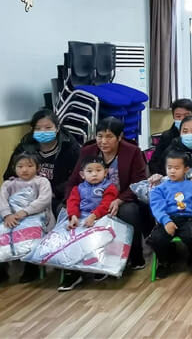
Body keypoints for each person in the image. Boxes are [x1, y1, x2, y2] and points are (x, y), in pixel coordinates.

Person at [66, 117, 149, 277]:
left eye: (109, 136)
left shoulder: (132, 152)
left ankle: (135, 254)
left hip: (121, 198)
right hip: (90, 199)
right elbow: (74, 180)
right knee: (64, 211)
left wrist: (119, 200)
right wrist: (71, 207)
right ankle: (75, 261)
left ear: (119, 137)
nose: (103, 141)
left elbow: (138, 182)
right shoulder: (87, 151)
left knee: (129, 211)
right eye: (100, 136)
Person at [148, 150, 192, 279]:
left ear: (186, 169)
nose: (172, 171)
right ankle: (165, 261)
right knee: (156, 239)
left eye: (176, 168)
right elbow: (157, 208)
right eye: (169, 167)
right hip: (167, 219)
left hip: (189, 219)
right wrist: (166, 221)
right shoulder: (159, 189)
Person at [0, 152, 55, 285]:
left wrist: (25, 212)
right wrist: (7, 215)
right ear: (14, 168)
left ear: (38, 168)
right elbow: (1, 202)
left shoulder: (42, 182)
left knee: (31, 233)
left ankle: (31, 267)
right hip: (11, 216)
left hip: (35, 215)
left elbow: (43, 201)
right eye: (20, 166)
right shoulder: (8, 184)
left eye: (29, 166)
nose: (25, 170)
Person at [3, 109, 80, 213]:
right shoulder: (24, 149)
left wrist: (53, 192)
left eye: (48, 128)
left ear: (57, 128)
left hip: (57, 198)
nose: (43, 131)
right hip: (26, 196)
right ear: (32, 130)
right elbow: (9, 176)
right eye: (38, 128)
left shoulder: (70, 149)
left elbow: (77, 179)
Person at [60, 156, 119, 291]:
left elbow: (106, 204)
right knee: (68, 237)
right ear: (82, 174)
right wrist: (73, 216)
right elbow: (72, 203)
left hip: (101, 217)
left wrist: (94, 216)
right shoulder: (78, 188)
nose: (94, 174)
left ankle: (98, 265)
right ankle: (72, 273)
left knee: (97, 236)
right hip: (80, 218)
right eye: (90, 171)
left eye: (98, 170)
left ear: (105, 172)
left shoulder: (109, 187)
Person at [148, 99, 192, 175]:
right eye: (178, 116)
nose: (183, 119)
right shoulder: (167, 136)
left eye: (187, 116)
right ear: (173, 117)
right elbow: (155, 163)